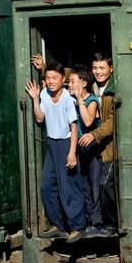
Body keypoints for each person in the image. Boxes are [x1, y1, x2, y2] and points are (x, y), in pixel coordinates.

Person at [25, 61, 86, 243]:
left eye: (54, 78)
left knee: (69, 187)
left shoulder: (68, 98)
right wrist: (36, 99)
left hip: (67, 143)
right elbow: (39, 118)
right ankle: (57, 225)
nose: (51, 81)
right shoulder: (44, 93)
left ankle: (77, 226)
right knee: (46, 186)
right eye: (48, 78)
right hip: (52, 144)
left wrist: (72, 152)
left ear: (62, 80)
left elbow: (73, 127)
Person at [78, 53, 117, 236]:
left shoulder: (113, 90)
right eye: (95, 68)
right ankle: (101, 222)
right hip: (100, 148)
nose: (98, 72)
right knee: (94, 184)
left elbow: (112, 121)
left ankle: (111, 225)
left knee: (104, 184)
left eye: (102, 68)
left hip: (111, 147)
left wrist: (94, 134)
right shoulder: (94, 87)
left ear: (111, 68)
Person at [68, 65, 105, 238]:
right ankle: (88, 221)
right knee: (83, 186)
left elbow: (88, 121)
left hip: (93, 150)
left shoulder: (91, 101)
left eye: (73, 82)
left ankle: (97, 222)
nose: (70, 85)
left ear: (83, 83)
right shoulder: (72, 100)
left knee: (94, 186)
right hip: (79, 150)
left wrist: (79, 100)